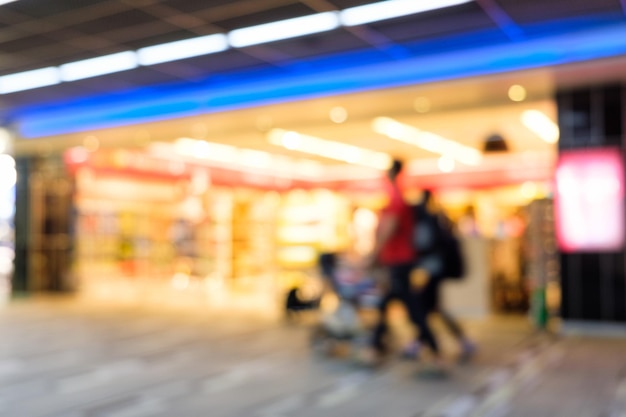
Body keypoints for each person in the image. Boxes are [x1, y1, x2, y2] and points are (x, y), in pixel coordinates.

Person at [363, 159, 441, 366]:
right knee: (393, 303)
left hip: (399, 260)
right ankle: (377, 345)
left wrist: (374, 254)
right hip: (398, 260)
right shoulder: (398, 195)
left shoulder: (396, 197)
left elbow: (390, 228)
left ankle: (431, 348)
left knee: (408, 306)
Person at [403, 189, 476, 363]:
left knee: (425, 308)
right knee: (432, 308)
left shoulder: (424, 219)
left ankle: (424, 345)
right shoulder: (435, 218)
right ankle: (457, 341)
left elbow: (423, 244)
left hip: (431, 272)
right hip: (434, 271)